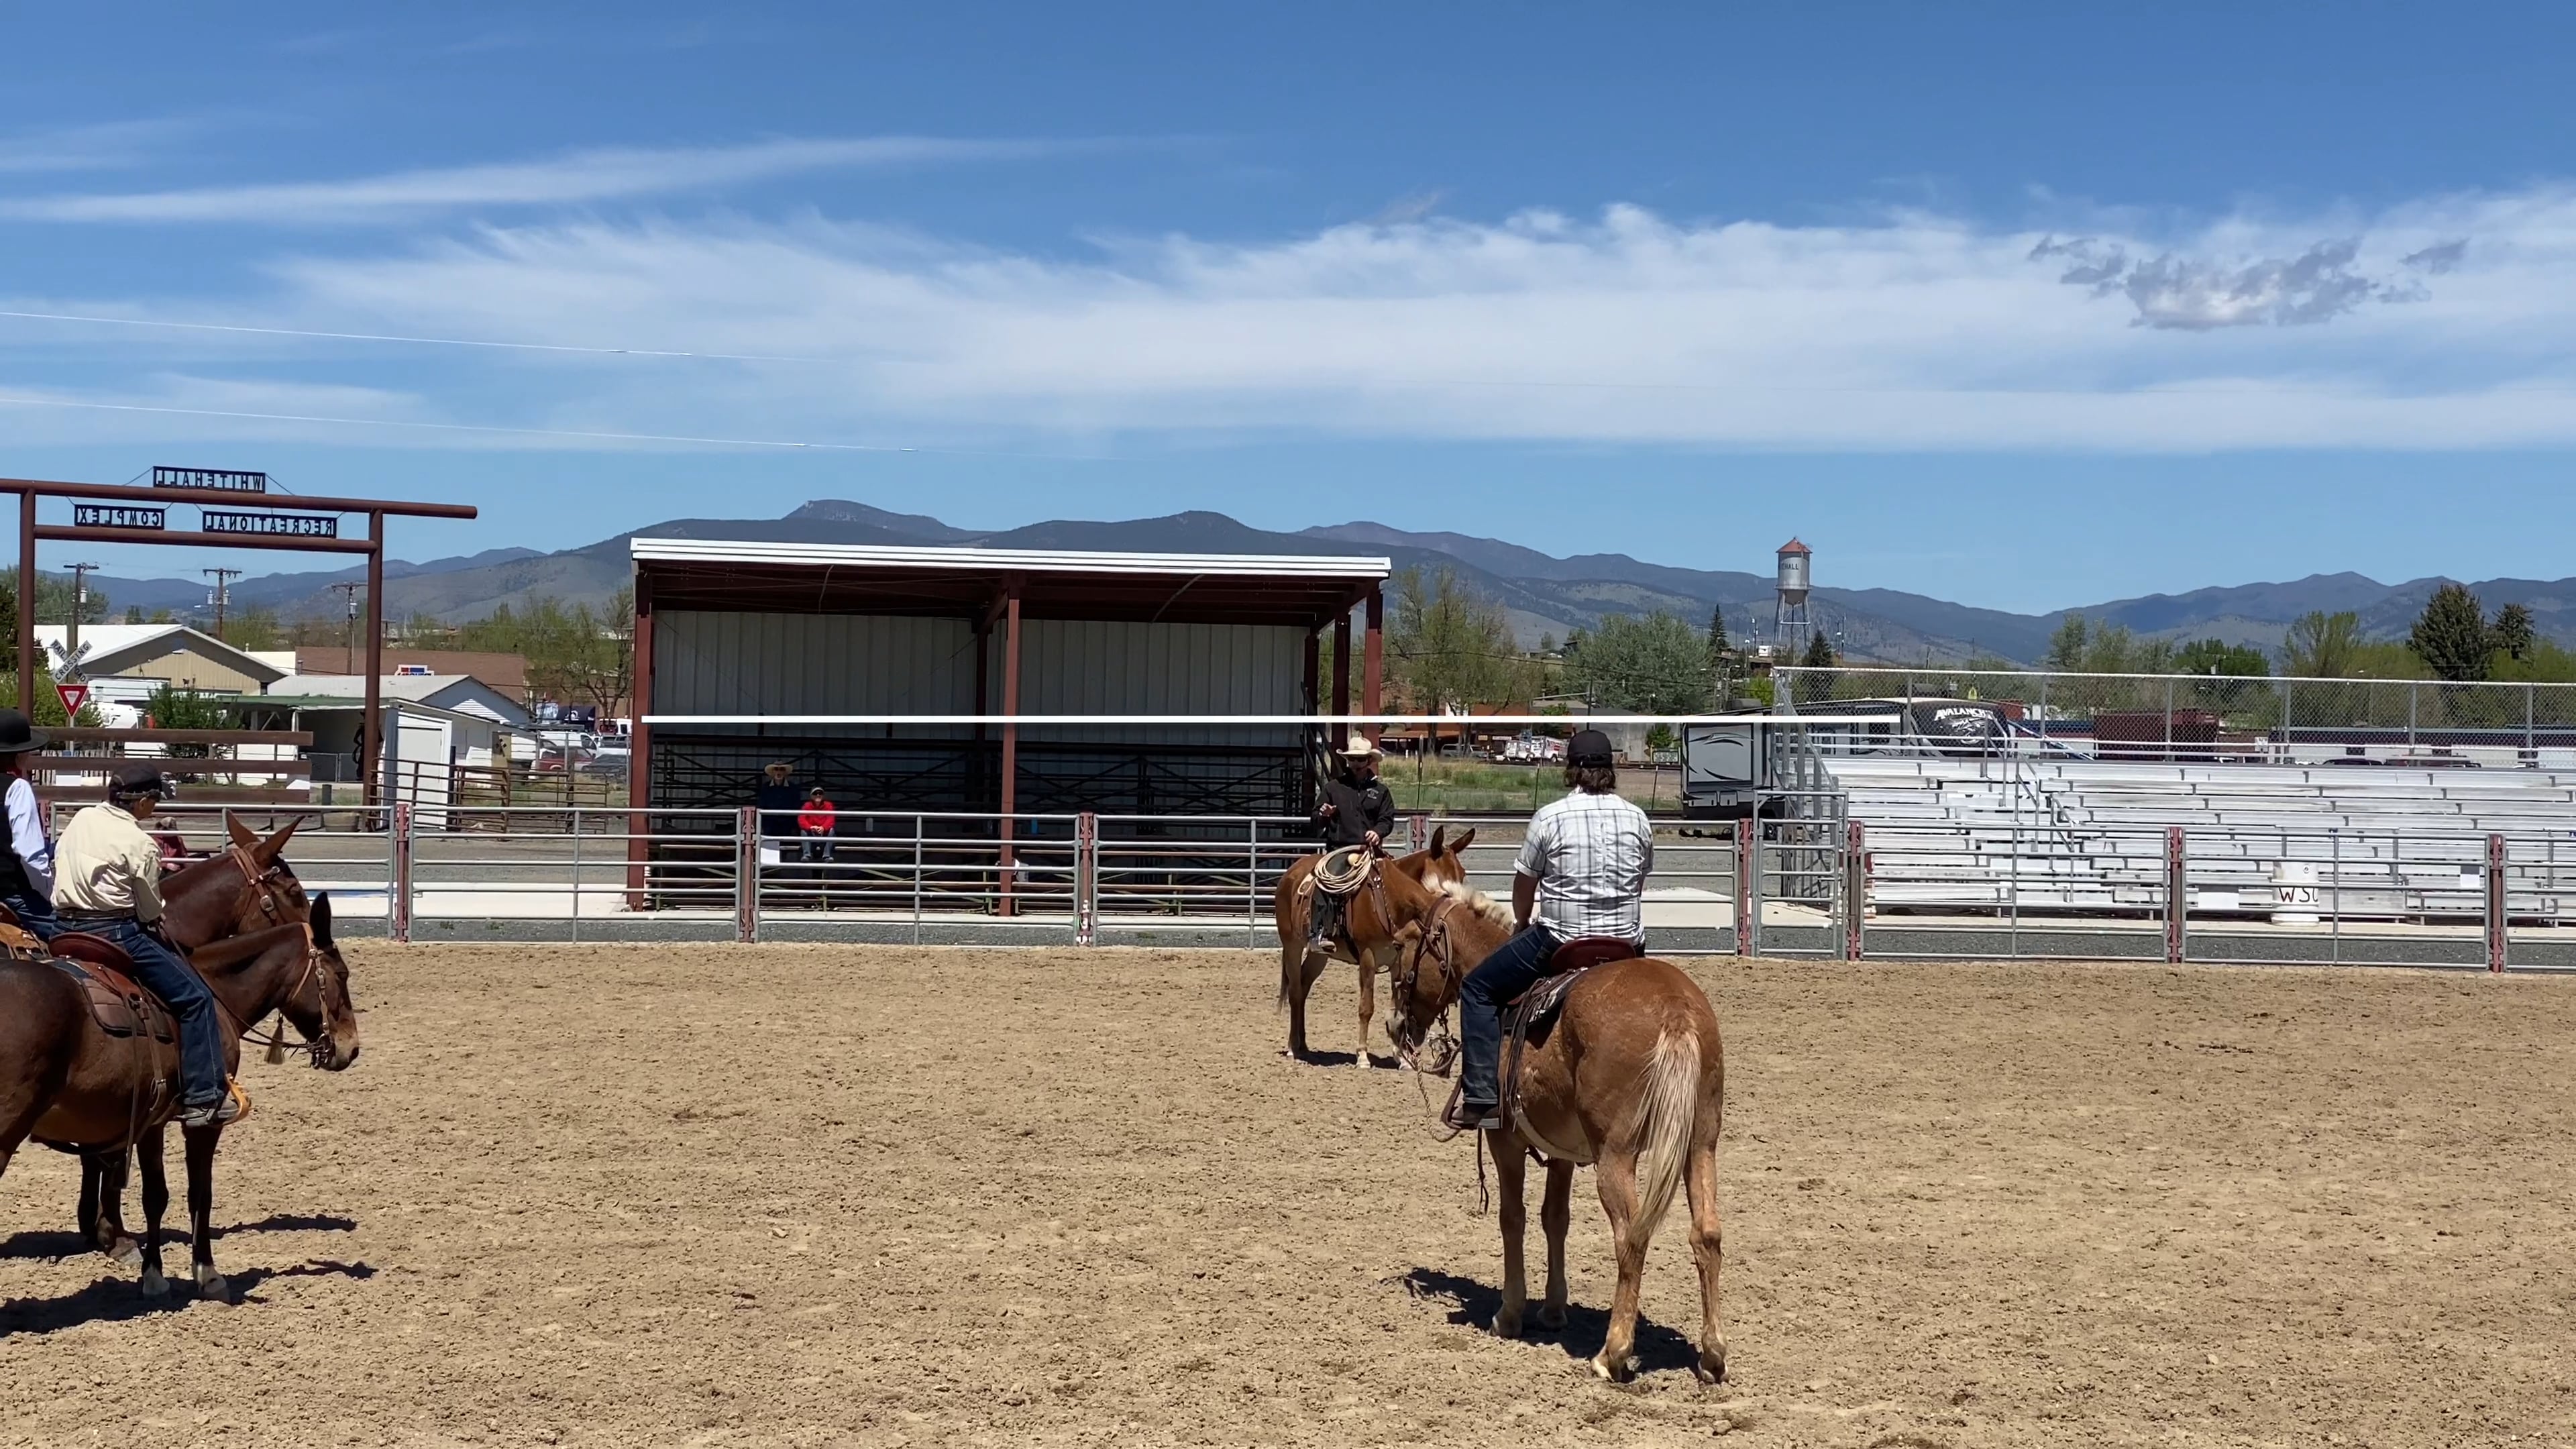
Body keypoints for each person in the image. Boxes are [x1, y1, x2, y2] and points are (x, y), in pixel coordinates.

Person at [1447, 729, 1653, 1132]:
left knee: (1477, 989)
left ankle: (1483, 1098)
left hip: (1562, 938)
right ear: (1610, 770)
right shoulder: (1638, 818)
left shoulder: (1551, 817)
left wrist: (1522, 922)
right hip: (1627, 943)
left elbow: (1525, 887)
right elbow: (1639, 881)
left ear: (1571, 770)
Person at [54, 763, 241, 1128]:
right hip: (114, 931)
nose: (155, 808)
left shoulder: (80, 819)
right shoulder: (140, 843)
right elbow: (149, 908)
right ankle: (203, 1097)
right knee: (196, 999)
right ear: (140, 802)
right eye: (154, 800)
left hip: (64, 927)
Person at [1306, 737, 1396, 952]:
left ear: (1368, 761)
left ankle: (1396, 928)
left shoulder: (1381, 792)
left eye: (1361, 759)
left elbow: (1387, 819)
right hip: (1340, 848)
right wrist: (1324, 815)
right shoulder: (1333, 788)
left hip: (1370, 850)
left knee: (1396, 881)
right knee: (1327, 882)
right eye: (1353, 759)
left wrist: (1377, 832)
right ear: (1348, 761)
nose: (1356, 764)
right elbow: (1315, 819)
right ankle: (1317, 933)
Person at [0, 709, 60, 940]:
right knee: (70, 938)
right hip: (12, 894)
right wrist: (47, 891)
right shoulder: (17, 788)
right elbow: (30, 854)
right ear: (18, 756)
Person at [797, 785, 837, 864]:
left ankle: (827, 856)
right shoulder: (807, 805)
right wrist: (811, 827)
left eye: (820, 793)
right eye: (815, 793)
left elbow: (831, 819)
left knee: (832, 830)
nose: (818, 795)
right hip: (811, 833)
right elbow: (801, 819)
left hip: (823, 834)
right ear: (811, 796)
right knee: (803, 831)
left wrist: (823, 827)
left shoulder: (828, 805)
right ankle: (807, 855)